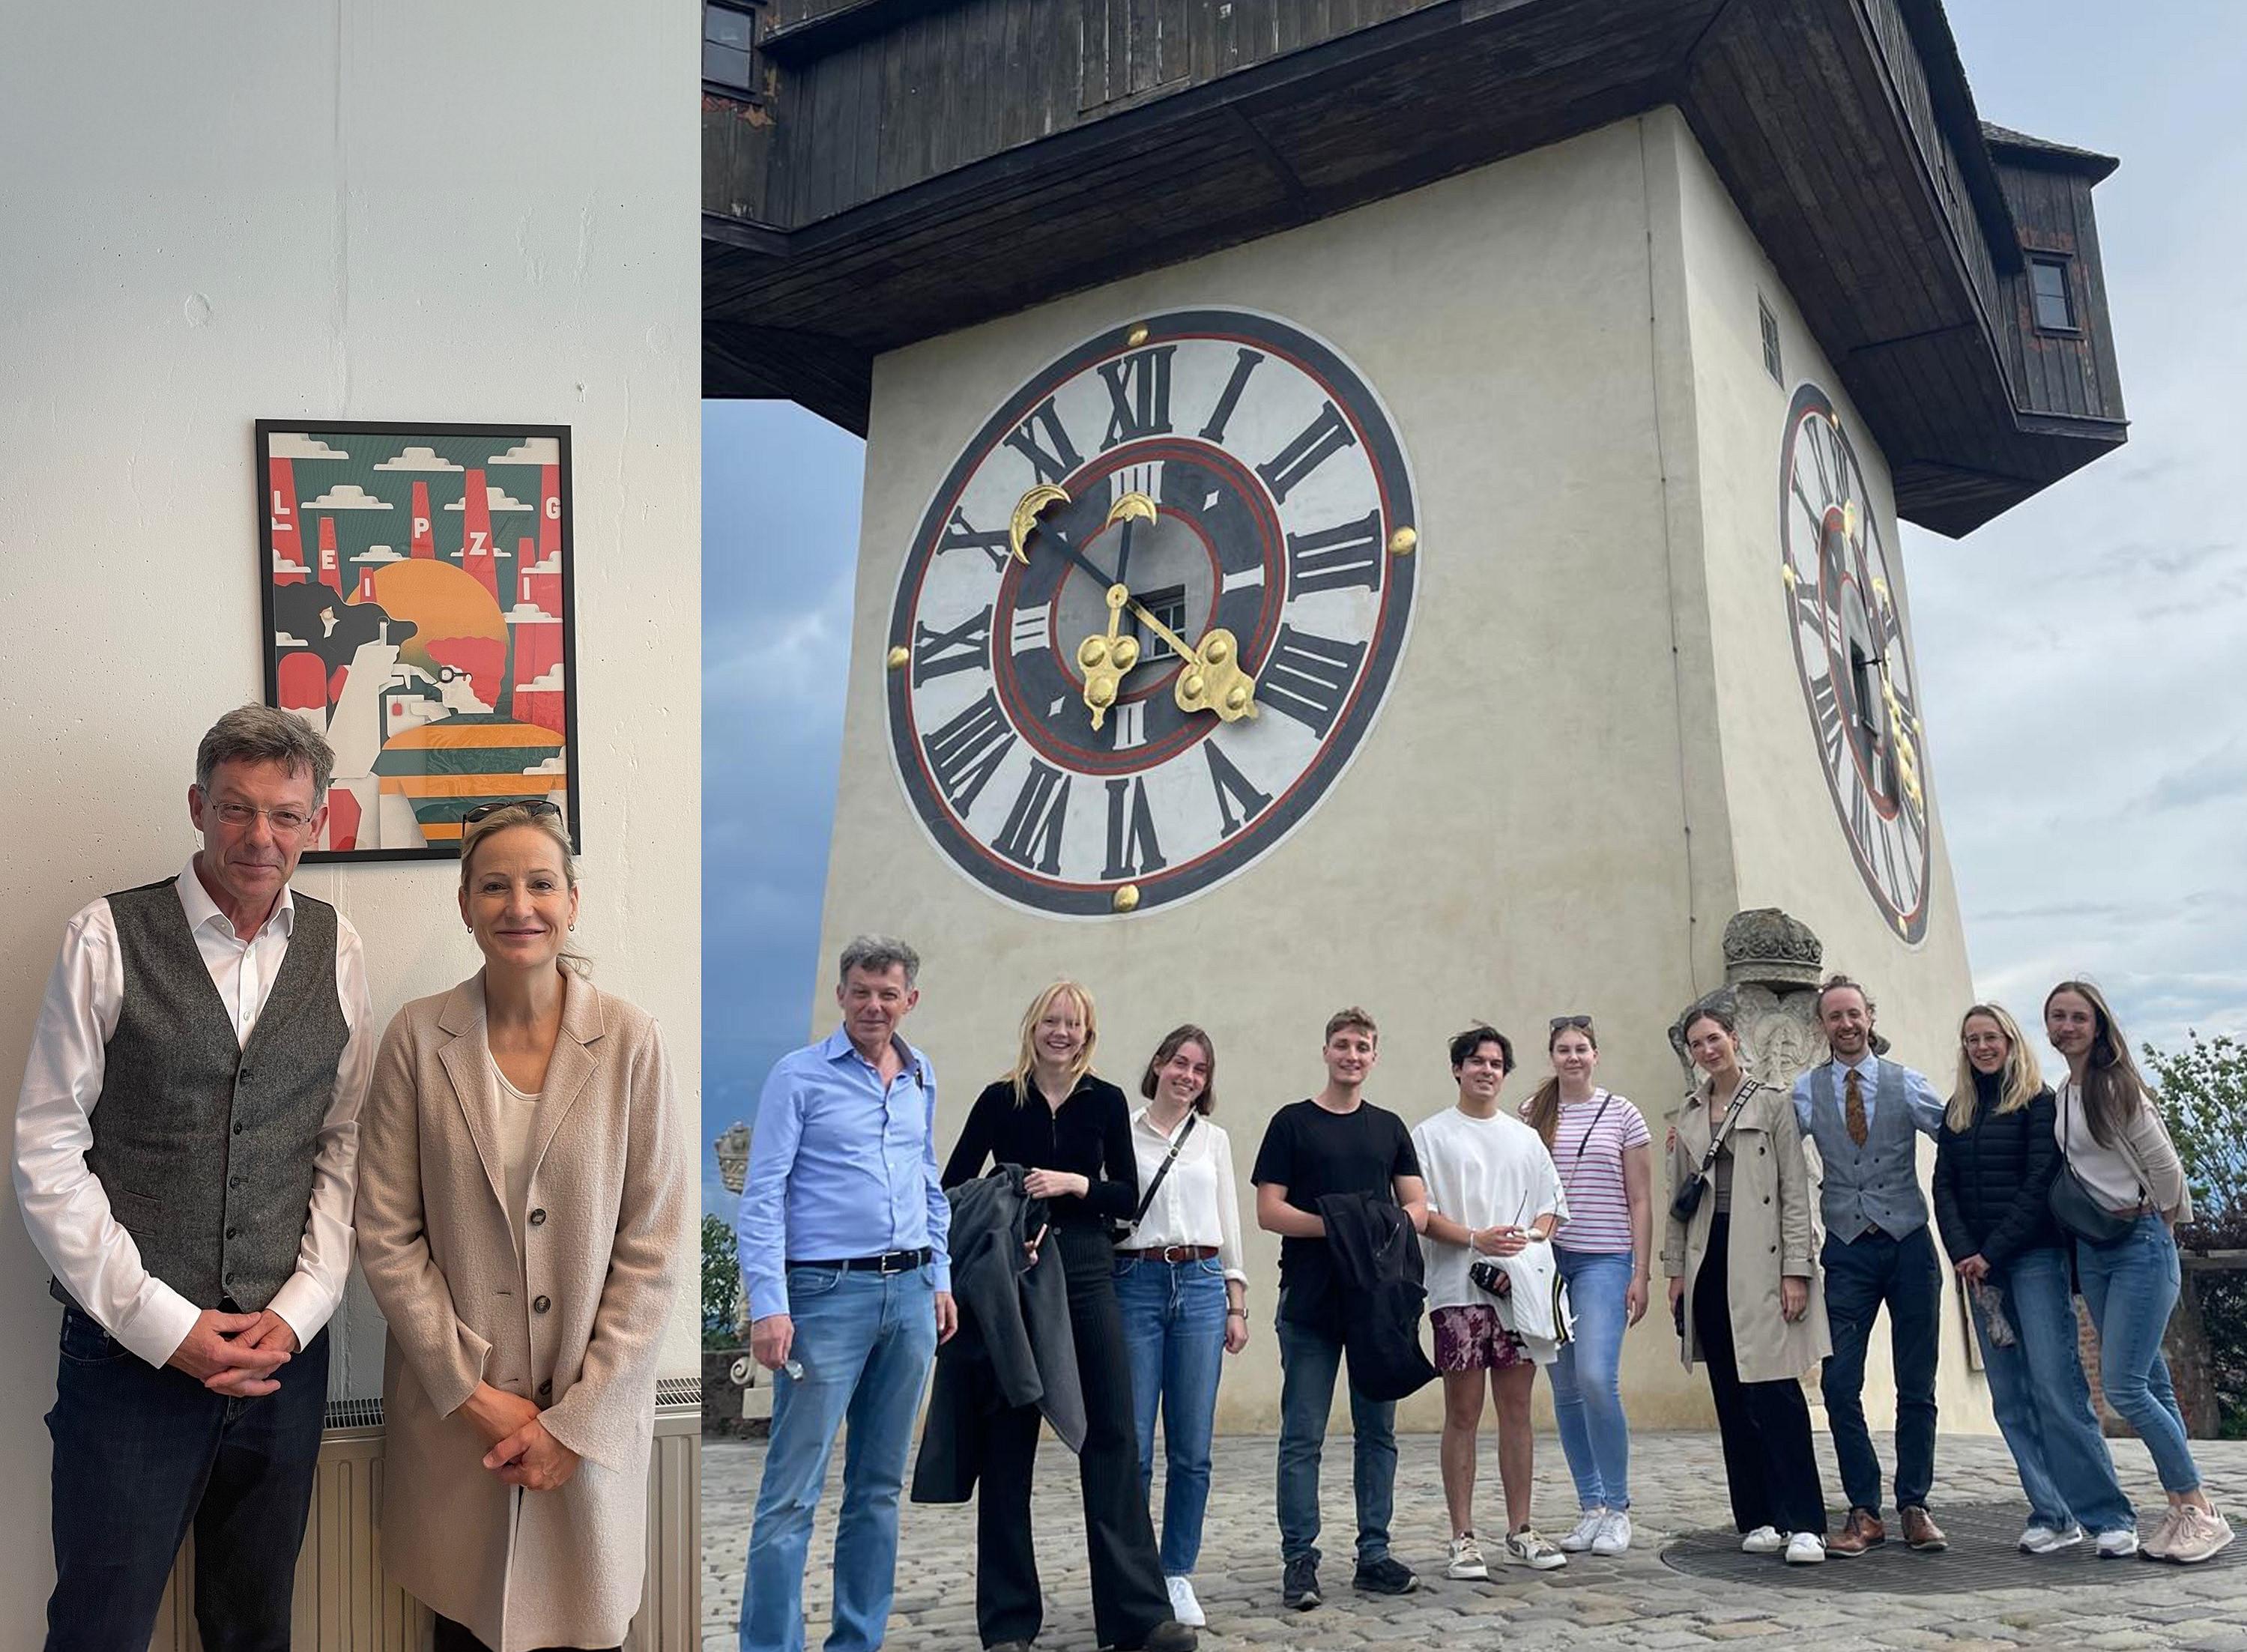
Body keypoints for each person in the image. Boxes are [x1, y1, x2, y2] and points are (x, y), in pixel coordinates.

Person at [13, 706, 372, 1652]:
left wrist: (302, 1306)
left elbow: (343, 1145)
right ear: (198, 807)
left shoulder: (338, 948)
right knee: (99, 1629)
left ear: (319, 820)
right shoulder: (106, 935)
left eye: (286, 816)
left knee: (254, 1628)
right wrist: (160, 1326)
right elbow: (46, 1147)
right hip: (125, 1359)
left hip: (280, 1357)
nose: (261, 837)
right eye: (236, 809)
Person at [354, 800, 691, 1651]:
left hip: (589, 1438)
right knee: (465, 1629)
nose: (519, 906)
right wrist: (473, 1396)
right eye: (494, 886)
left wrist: (572, 1424)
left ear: (572, 900)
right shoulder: (414, 1038)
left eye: (540, 883)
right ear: (464, 905)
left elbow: (651, 1251)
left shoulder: (629, 1043)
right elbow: (386, 1234)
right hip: (460, 1441)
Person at [941, 983, 1194, 1652]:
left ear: (1088, 1033)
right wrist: (1007, 1202)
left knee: (1111, 1431)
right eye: (1051, 1020)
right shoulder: (1000, 1099)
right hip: (1011, 1278)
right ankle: (1007, 1625)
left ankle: (1138, 1616)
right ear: (1033, 1026)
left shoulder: (1105, 1099)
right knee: (1006, 1442)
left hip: (1084, 1265)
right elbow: (952, 1185)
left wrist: (1073, 1184)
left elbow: (1126, 1197)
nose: (1061, 1032)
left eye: (1073, 1023)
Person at [734, 936, 958, 1652]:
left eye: (888, 993)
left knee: (878, 1489)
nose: (873, 1005)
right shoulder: (798, 1077)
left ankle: (856, 1641)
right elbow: (763, 1196)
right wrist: (768, 1304)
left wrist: (941, 1276)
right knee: (792, 1494)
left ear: (909, 1000)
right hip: (825, 1296)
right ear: (841, 994)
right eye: (861, 990)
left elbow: (928, 1182)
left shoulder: (921, 1074)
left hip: (912, 1294)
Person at [1931, 1002, 2138, 1557]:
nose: (1981, 1046)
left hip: (2033, 1259)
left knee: (2057, 1387)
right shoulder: (1957, 1110)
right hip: (1978, 1271)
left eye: (1989, 1036)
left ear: (2009, 1039)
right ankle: (2051, 1512)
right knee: (2010, 1397)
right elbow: (1942, 1187)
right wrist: (1963, 1252)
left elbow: (2037, 1185)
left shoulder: (2037, 1103)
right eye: (1971, 1038)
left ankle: (2107, 1515)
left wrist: (1989, 1251)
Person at [2045, 980, 2234, 1564]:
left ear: (2097, 1025)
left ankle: (2198, 1506)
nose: (2067, 1026)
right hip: (2097, 1248)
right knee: (2148, 1380)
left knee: (2124, 1386)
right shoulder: (2065, 1091)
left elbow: (2165, 1166)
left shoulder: (2114, 1086)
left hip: (2139, 1242)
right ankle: (2182, 1510)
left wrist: (2160, 1225)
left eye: (2078, 1017)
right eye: (2056, 1017)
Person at [1252, 1007, 1429, 1610]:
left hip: (1375, 1303)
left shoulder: (1388, 1127)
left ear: (1374, 1057)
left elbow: (1417, 1208)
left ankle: (1373, 1554)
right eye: (1343, 1045)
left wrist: (1367, 1227)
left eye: (1363, 1047)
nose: (1352, 1055)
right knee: (1301, 1435)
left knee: (1377, 1433)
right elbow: (1269, 1210)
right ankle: (1298, 1558)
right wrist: (1341, 1226)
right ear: (1325, 1051)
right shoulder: (1291, 1123)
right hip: (1308, 1300)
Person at [1666, 1005, 1832, 1566]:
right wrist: (1673, 1275)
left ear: (1734, 1039)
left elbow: (1794, 1190)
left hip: (1759, 1257)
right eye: (1697, 1043)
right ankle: (1758, 1515)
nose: (1708, 1049)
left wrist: (1796, 1269)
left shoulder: (1773, 1103)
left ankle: (1805, 1520)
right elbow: (1676, 1202)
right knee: (1731, 1394)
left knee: (1775, 1391)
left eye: (1714, 1037)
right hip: (1706, 1256)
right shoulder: (1687, 1114)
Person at [1788, 974, 1948, 1556]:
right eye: (1834, 1016)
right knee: (1837, 1382)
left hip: (1908, 1244)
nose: (1846, 1024)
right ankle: (1863, 1508)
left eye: (1853, 1014)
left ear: (1869, 1016)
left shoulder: (1905, 1082)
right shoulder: (1805, 1092)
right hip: (1847, 1248)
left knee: (1917, 1382)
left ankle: (1914, 1505)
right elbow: (1773, 1155)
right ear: (1822, 1025)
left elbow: (1956, 1134)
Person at [1414, 1025, 1570, 1579]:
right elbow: (1422, 1212)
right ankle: (1461, 1536)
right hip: (1457, 1289)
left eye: (1496, 1062)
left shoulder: (1524, 1137)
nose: (1486, 1070)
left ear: (1505, 1073)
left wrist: (1525, 1240)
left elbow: (1552, 1205)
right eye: (1476, 1061)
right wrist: (1477, 1238)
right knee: (1462, 1412)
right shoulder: (1430, 1135)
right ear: (1457, 1068)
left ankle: (1520, 1528)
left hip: (1517, 1293)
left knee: (1517, 1410)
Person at [1113, 1025, 1249, 1630]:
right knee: (1134, 1446)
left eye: (1199, 1069)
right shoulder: (1121, 1130)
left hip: (1198, 1284)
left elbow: (1229, 1218)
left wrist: (1235, 1299)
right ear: (1158, 1064)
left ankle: (1176, 1572)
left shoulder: (1213, 1139)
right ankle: (1133, 1576)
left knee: (1191, 1448)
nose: (1187, 1075)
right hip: (1135, 1282)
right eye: (1179, 1063)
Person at [1521, 1015, 1653, 1556]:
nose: (1572, 1057)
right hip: (1550, 1261)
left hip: (1604, 1259)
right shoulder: (1532, 1113)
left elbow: (1640, 1197)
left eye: (1580, 1048)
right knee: (1566, 1388)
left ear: (1595, 1054)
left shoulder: (1622, 1113)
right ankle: (1590, 1505)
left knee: (1598, 1377)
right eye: (1562, 1049)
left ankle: (1618, 1508)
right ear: (1551, 1055)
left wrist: (1641, 1271)